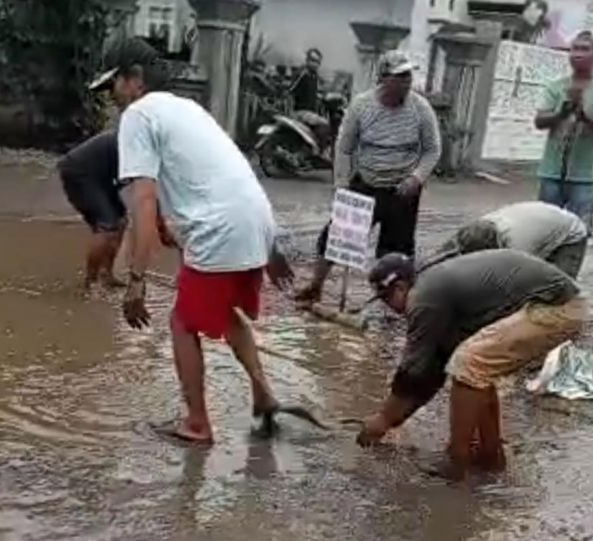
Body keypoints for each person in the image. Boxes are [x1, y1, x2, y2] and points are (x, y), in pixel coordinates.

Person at [94, 39, 295, 444]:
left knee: (182, 321)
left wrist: (137, 278)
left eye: (112, 85)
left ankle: (197, 423)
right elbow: (216, 175)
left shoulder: (138, 116)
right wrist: (269, 245)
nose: (110, 98)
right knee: (224, 312)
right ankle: (264, 394)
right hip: (255, 218)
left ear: (133, 80)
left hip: (221, 227)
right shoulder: (186, 108)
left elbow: (143, 201)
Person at [356, 250, 587, 481]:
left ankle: (457, 461)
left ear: (400, 287)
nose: (389, 308)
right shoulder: (434, 290)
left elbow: (410, 373)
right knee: (476, 367)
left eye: (387, 299)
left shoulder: (423, 298)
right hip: (554, 302)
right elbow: (432, 372)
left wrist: (383, 419)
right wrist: (393, 420)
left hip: (556, 306)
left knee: (468, 363)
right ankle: (490, 457)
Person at [296, 50, 441, 303]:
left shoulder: (421, 109)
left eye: (408, 75)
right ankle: (315, 286)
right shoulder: (362, 106)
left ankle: (395, 305)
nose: (407, 81)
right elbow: (344, 148)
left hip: (402, 189)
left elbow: (432, 150)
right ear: (384, 79)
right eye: (400, 76)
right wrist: (341, 185)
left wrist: (416, 178)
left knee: (396, 253)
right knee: (336, 238)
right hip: (365, 183)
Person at [535, 30, 593, 234]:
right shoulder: (556, 86)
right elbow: (539, 121)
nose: (577, 54)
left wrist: (584, 115)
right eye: (574, 49)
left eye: (584, 49)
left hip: (583, 177)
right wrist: (561, 113)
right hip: (551, 173)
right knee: (543, 230)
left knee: (578, 233)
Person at [425, 201, 588, 278]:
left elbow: (513, 284)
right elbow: (444, 253)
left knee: (558, 289)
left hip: (571, 234)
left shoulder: (517, 249)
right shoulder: (478, 226)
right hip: (540, 222)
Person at [57, 131, 126, 290]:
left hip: (102, 176)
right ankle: (91, 281)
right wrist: (160, 224)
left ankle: (106, 274)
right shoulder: (143, 146)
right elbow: (146, 194)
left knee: (121, 221)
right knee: (107, 227)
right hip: (80, 172)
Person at [291, 48, 323, 113]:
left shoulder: (315, 75)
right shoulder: (302, 74)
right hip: (301, 112)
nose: (316, 64)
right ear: (307, 60)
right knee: (325, 123)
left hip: (311, 112)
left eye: (318, 62)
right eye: (313, 61)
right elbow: (290, 92)